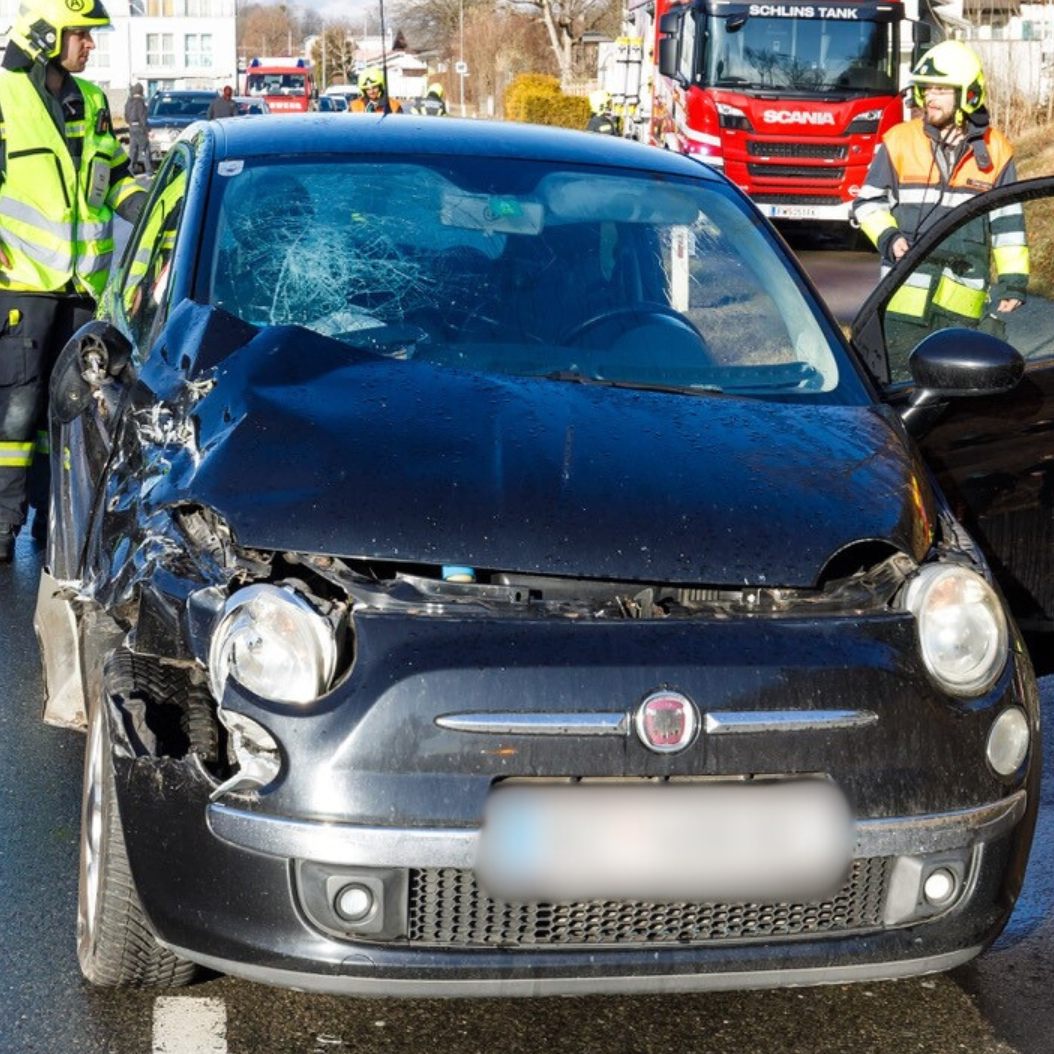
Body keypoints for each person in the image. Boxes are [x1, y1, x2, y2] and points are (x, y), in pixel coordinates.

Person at [0, 0, 147, 563]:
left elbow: (115, 178)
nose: (90, 45)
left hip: (82, 290)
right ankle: (3, 524)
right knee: (16, 412)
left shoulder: (89, 101)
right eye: (80, 34)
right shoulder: (5, 97)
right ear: (44, 35)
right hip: (23, 285)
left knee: (68, 410)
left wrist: (156, 211)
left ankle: (55, 519)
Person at [851, 40, 1028, 358]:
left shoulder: (997, 151)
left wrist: (1013, 281)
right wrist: (890, 237)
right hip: (900, 308)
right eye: (927, 89)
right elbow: (867, 203)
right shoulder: (899, 141)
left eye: (941, 90)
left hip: (962, 312)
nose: (929, 98)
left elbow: (1008, 225)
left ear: (969, 94)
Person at [124, 82, 152, 177]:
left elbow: (126, 117)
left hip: (131, 128)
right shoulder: (140, 103)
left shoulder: (128, 102)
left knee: (133, 150)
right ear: (141, 92)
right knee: (145, 149)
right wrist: (148, 130)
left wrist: (131, 124)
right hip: (140, 128)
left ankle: (130, 170)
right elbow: (142, 117)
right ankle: (149, 171)